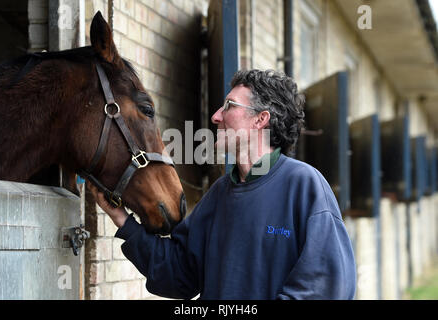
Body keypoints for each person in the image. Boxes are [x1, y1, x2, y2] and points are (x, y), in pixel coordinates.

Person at [89, 69, 356, 300]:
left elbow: (326, 287)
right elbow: (179, 273)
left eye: (229, 106)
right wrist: (122, 219)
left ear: (260, 119)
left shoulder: (305, 186)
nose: (216, 116)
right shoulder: (219, 193)